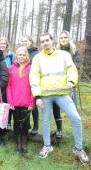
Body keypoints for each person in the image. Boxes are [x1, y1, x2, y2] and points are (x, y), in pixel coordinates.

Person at [30, 33, 89, 163]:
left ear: (52, 41)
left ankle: (78, 148)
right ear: (41, 44)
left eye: (47, 40)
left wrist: (71, 81)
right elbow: (34, 77)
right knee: (45, 121)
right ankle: (47, 146)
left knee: (76, 118)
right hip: (45, 96)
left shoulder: (64, 55)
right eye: (42, 41)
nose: (45, 43)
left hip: (62, 93)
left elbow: (72, 70)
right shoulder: (38, 58)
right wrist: (37, 96)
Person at [7, 46, 34, 153]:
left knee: (25, 123)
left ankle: (24, 141)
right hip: (15, 102)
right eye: (19, 55)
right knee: (16, 123)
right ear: (16, 56)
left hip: (27, 102)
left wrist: (32, 102)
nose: (21, 57)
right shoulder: (11, 68)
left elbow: (33, 86)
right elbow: (8, 86)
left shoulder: (31, 68)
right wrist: (10, 101)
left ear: (26, 56)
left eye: (23, 55)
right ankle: (18, 142)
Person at [56, 30, 81, 108]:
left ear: (69, 39)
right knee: (58, 108)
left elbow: (77, 66)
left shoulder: (74, 51)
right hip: (57, 81)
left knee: (73, 106)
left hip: (70, 81)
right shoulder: (56, 51)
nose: (63, 39)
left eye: (65, 37)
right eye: (61, 38)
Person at [21, 35, 39, 135]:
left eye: (26, 41)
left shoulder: (35, 54)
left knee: (34, 105)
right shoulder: (21, 52)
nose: (24, 43)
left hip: (33, 81)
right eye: (22, 41)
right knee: (25, 104)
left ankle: (36, 126)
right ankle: (27, 124)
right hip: (23, 82)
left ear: (31, 42)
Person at [0, 37, 15, 131]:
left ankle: (8, 122)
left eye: (4, 43)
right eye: (1, 43)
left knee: (8, 103)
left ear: (7, 45)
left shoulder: (11, 55)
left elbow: (15, 67)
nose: (2, 45)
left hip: (9, 82)